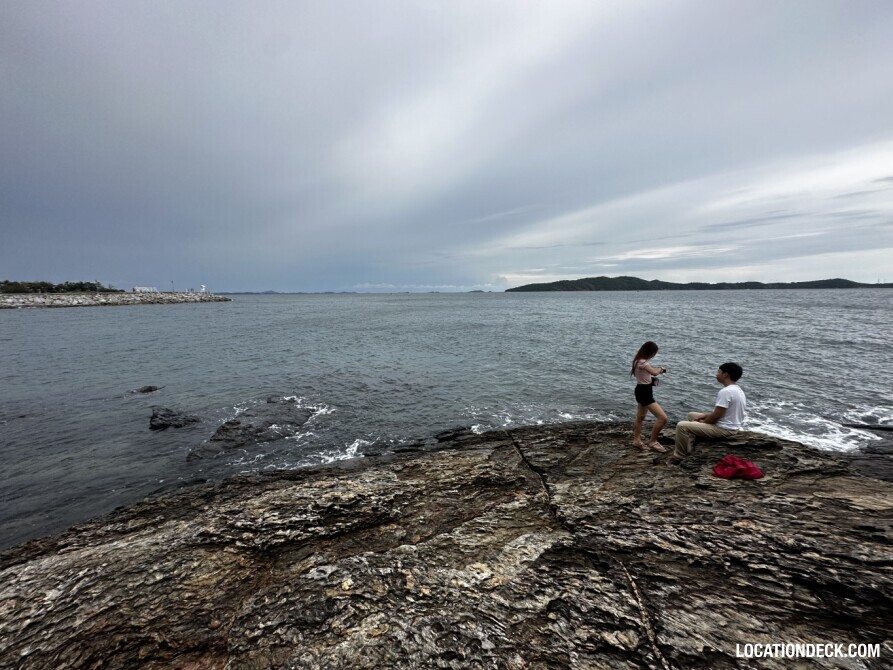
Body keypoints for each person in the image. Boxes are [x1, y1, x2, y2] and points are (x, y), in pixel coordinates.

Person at [668, 362, 746, 464]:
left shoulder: (726, 392)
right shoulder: (737, 389)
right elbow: (722, 412)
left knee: (682, 426)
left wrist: (703, 422)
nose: (716, 374)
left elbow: (716, 416)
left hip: (725, 429)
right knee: (691, 415)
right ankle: (689, 447)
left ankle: (679, 457)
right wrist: (704, 415)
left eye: (719, 371)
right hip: (731, 425)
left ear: (725, 375)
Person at [630, 341, 668, 452]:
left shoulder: (638, 360)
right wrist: (661, 369)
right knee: (663, 418)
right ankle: (653, 442)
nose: (654, 355)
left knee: (640, 417)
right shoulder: (643, 362)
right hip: (644, 393)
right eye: (654, 353)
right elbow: (654, 372)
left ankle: (636, 441)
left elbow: (649, 373)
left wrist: (656, 371)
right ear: (650, 352)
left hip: (642, 390)